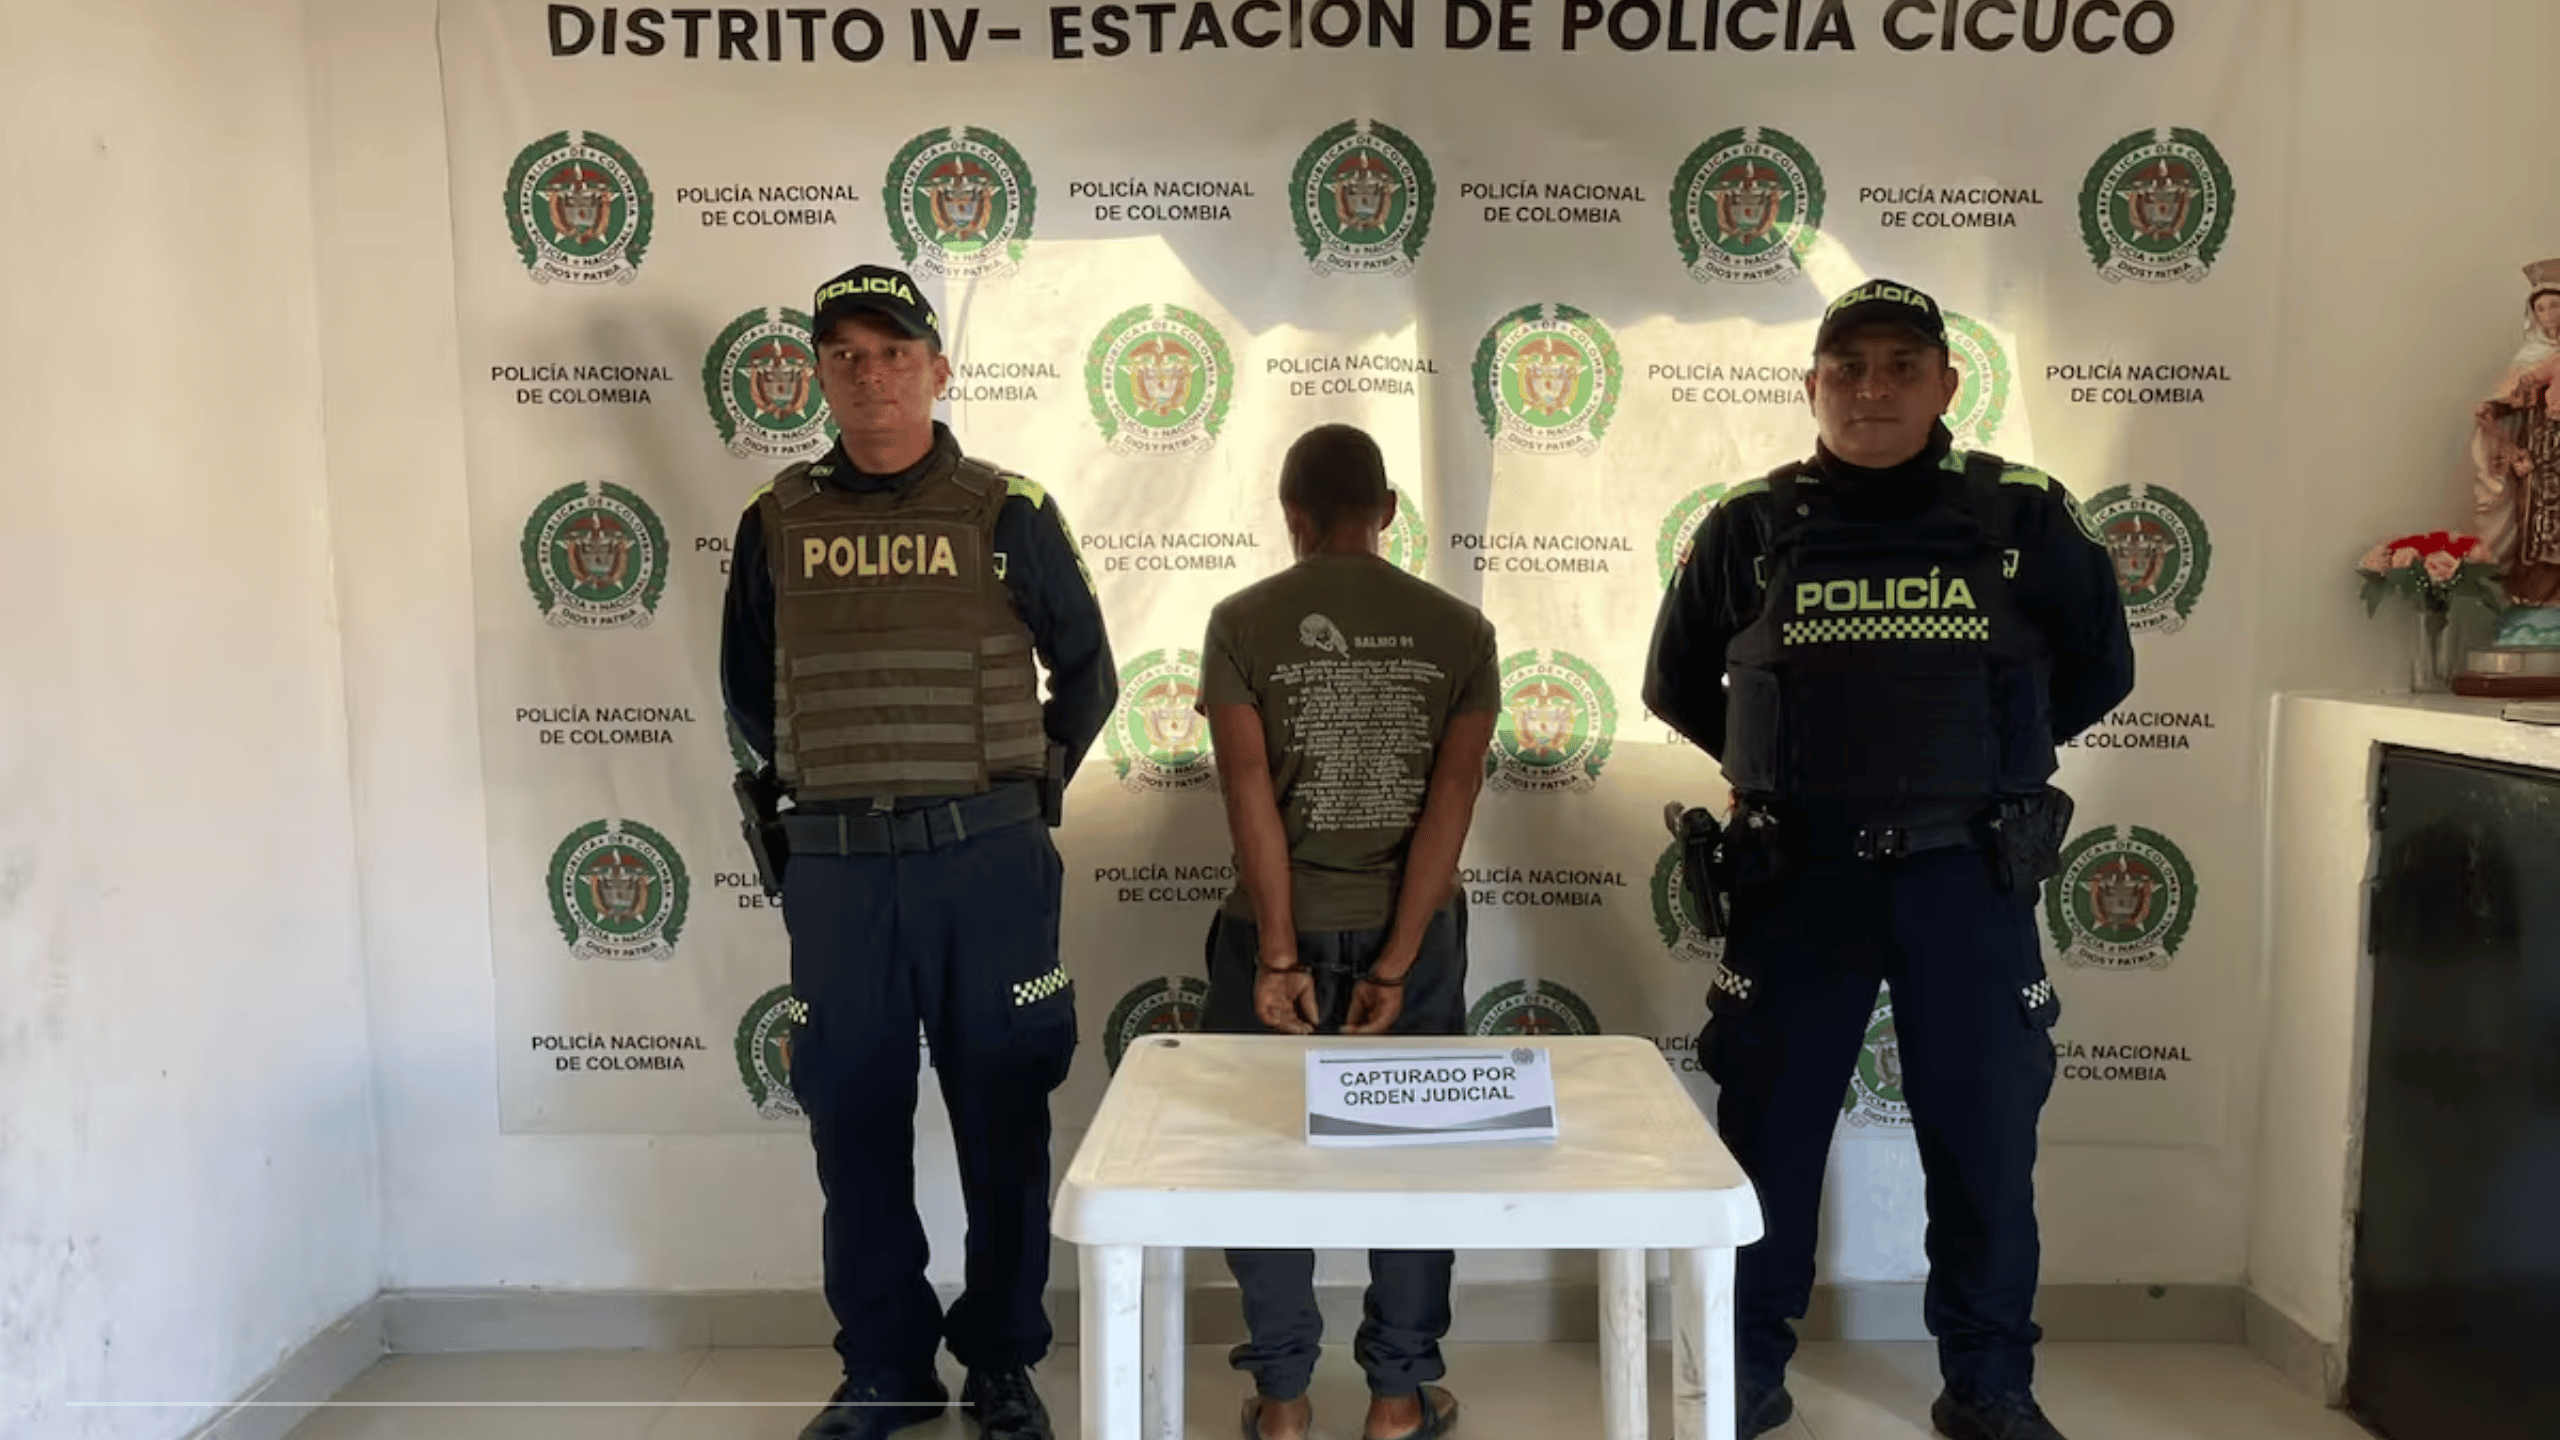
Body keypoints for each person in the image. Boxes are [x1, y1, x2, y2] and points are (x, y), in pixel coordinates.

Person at [1641, 279, 2136, 1440]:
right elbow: (1676, 681)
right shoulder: (1749, 525)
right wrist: (1770, 765)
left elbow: (2100, 666)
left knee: (1982, 1141)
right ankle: (1745, 1374)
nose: (1873, 389)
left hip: (1965, 873)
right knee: (1769, 1135)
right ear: (1811, 386)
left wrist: (1991, 761)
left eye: (1902, 366)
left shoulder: (2022, 516)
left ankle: (1988, 1384)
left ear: (1946, 383)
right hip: (1797, 877)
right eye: (1847, 368)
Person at [719, 262, 1118, 1440]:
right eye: (845, 356)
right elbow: (750, 692)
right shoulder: (774, 521)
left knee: (1004, 1118)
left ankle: (1001, 1361)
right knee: (852, 1122)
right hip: (839, 872)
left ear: (938, 371)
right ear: (817, 376)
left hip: (986, 867)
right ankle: (885, 1369)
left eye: (894, 353)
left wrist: (1014, 796)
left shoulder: (1008, 511)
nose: (871, 376)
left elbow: (1087, 674)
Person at [1195, 423, 1499, 1440]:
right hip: (1412, 941)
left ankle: (1283, 1404)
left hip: (1270, 938)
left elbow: (1247, 789)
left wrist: (1278, 954)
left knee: (1265, 1165)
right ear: (1388, 513)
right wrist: (1399, 962)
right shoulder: (1461, 630)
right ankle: (1397, 1400)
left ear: (1291, 515)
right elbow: (1453, 799)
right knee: (1411, 1169)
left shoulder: (1241, 621)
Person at [2468, 256, 2560, 610]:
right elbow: (2513, 399)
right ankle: (2539, 600)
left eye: (2555, 305)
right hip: (2541, 451)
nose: (2549, 314)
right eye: (2541, 308)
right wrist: (2496, 410)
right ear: (2533, 315)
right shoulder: (2531, 358)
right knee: (2538, 522)